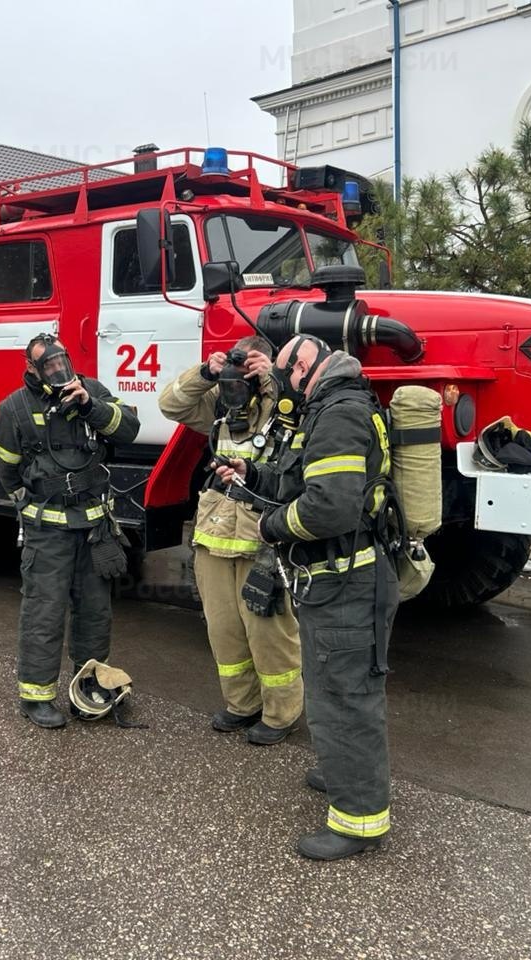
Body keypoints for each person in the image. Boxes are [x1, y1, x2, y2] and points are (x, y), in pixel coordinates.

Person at [216, 334, 397, 861]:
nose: (284, 386)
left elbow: (328, 510)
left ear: (303, 366)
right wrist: (252, 476)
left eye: (285, 374)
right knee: (331, 690)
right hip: (338, 579)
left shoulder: (339, 413)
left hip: (346, 580)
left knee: (345, 698)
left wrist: (271, 528)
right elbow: (300, 481)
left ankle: (359, 822)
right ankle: (344, 770)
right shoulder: (334, 405)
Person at [0, 334, 140, 728]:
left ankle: (88, 686)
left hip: (94, 527)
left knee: (95, 611)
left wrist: (90, 406)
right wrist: (30, 500)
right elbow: (5, 465)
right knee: (45, 611)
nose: (58, 370)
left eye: (62, 362)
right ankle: (35, 696)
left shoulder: (90, 391)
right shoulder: (15, 407)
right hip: (47, 531)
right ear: (32, 370)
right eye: (49, 365)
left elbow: (129, 429)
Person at [158, 336, 303, 745]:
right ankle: (242, 705)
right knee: (224, 630)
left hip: (263, 540)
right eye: (229, 378)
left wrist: (273, 378)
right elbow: (172, 404)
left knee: (270, 634)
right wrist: (206, 373)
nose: (235, 386)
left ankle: (280, 713)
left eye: (243, 377)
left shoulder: (284, 408)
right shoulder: (220, 408)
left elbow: (304, 410)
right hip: (214, 537)